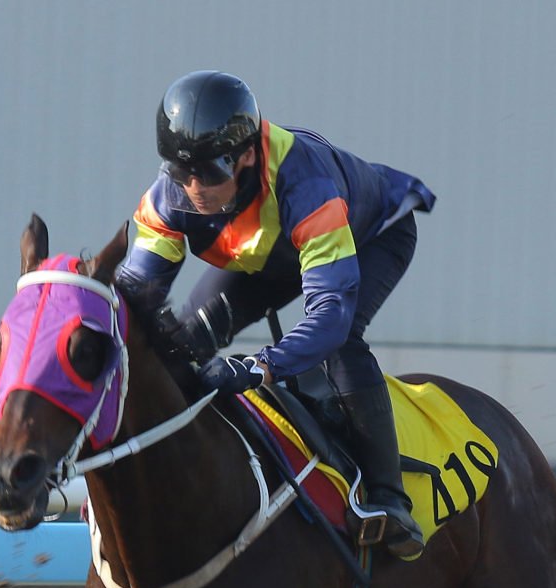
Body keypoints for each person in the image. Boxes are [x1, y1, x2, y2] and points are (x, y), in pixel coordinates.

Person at [114, 71, 434, 558]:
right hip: (271, 255)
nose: (195, 190)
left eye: (210, 174)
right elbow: (135, 301)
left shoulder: (306, 183)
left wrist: (260, 365)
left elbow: (329, 316)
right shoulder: (168, 196)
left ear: (246, 155)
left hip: (368, 237)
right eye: (183, 174)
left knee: (341, 344)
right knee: (185, 344)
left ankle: (389, 500)